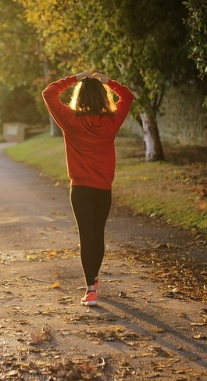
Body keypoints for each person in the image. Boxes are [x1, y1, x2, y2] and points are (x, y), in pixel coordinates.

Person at [42, 71, 135, 306]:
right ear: (103, 97)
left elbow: (49, 93)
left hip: (80, 189)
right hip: (103, 189)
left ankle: (91, 289)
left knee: (86, 236)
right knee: (98, 235)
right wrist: (108, 82)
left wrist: (74, 78)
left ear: (79, 97)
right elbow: (128, 96)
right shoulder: (112, 121)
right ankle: (93, 280)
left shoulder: (70, 119)